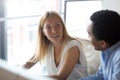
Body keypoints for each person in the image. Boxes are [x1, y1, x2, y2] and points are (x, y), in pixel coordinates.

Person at [23, 11, 87, 80]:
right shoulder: (47, 45)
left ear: (62, 26)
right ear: (43, 31)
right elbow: (29, 63)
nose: (54, 31)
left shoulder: (72, 46)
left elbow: (61, 77)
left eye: (57, 25)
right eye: (48, 27)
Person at [79, 9, 120, 80]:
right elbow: (100, 76)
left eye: (90, 35)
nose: (88, 38)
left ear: (102, 43)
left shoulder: (118, 58)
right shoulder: (105, 50)